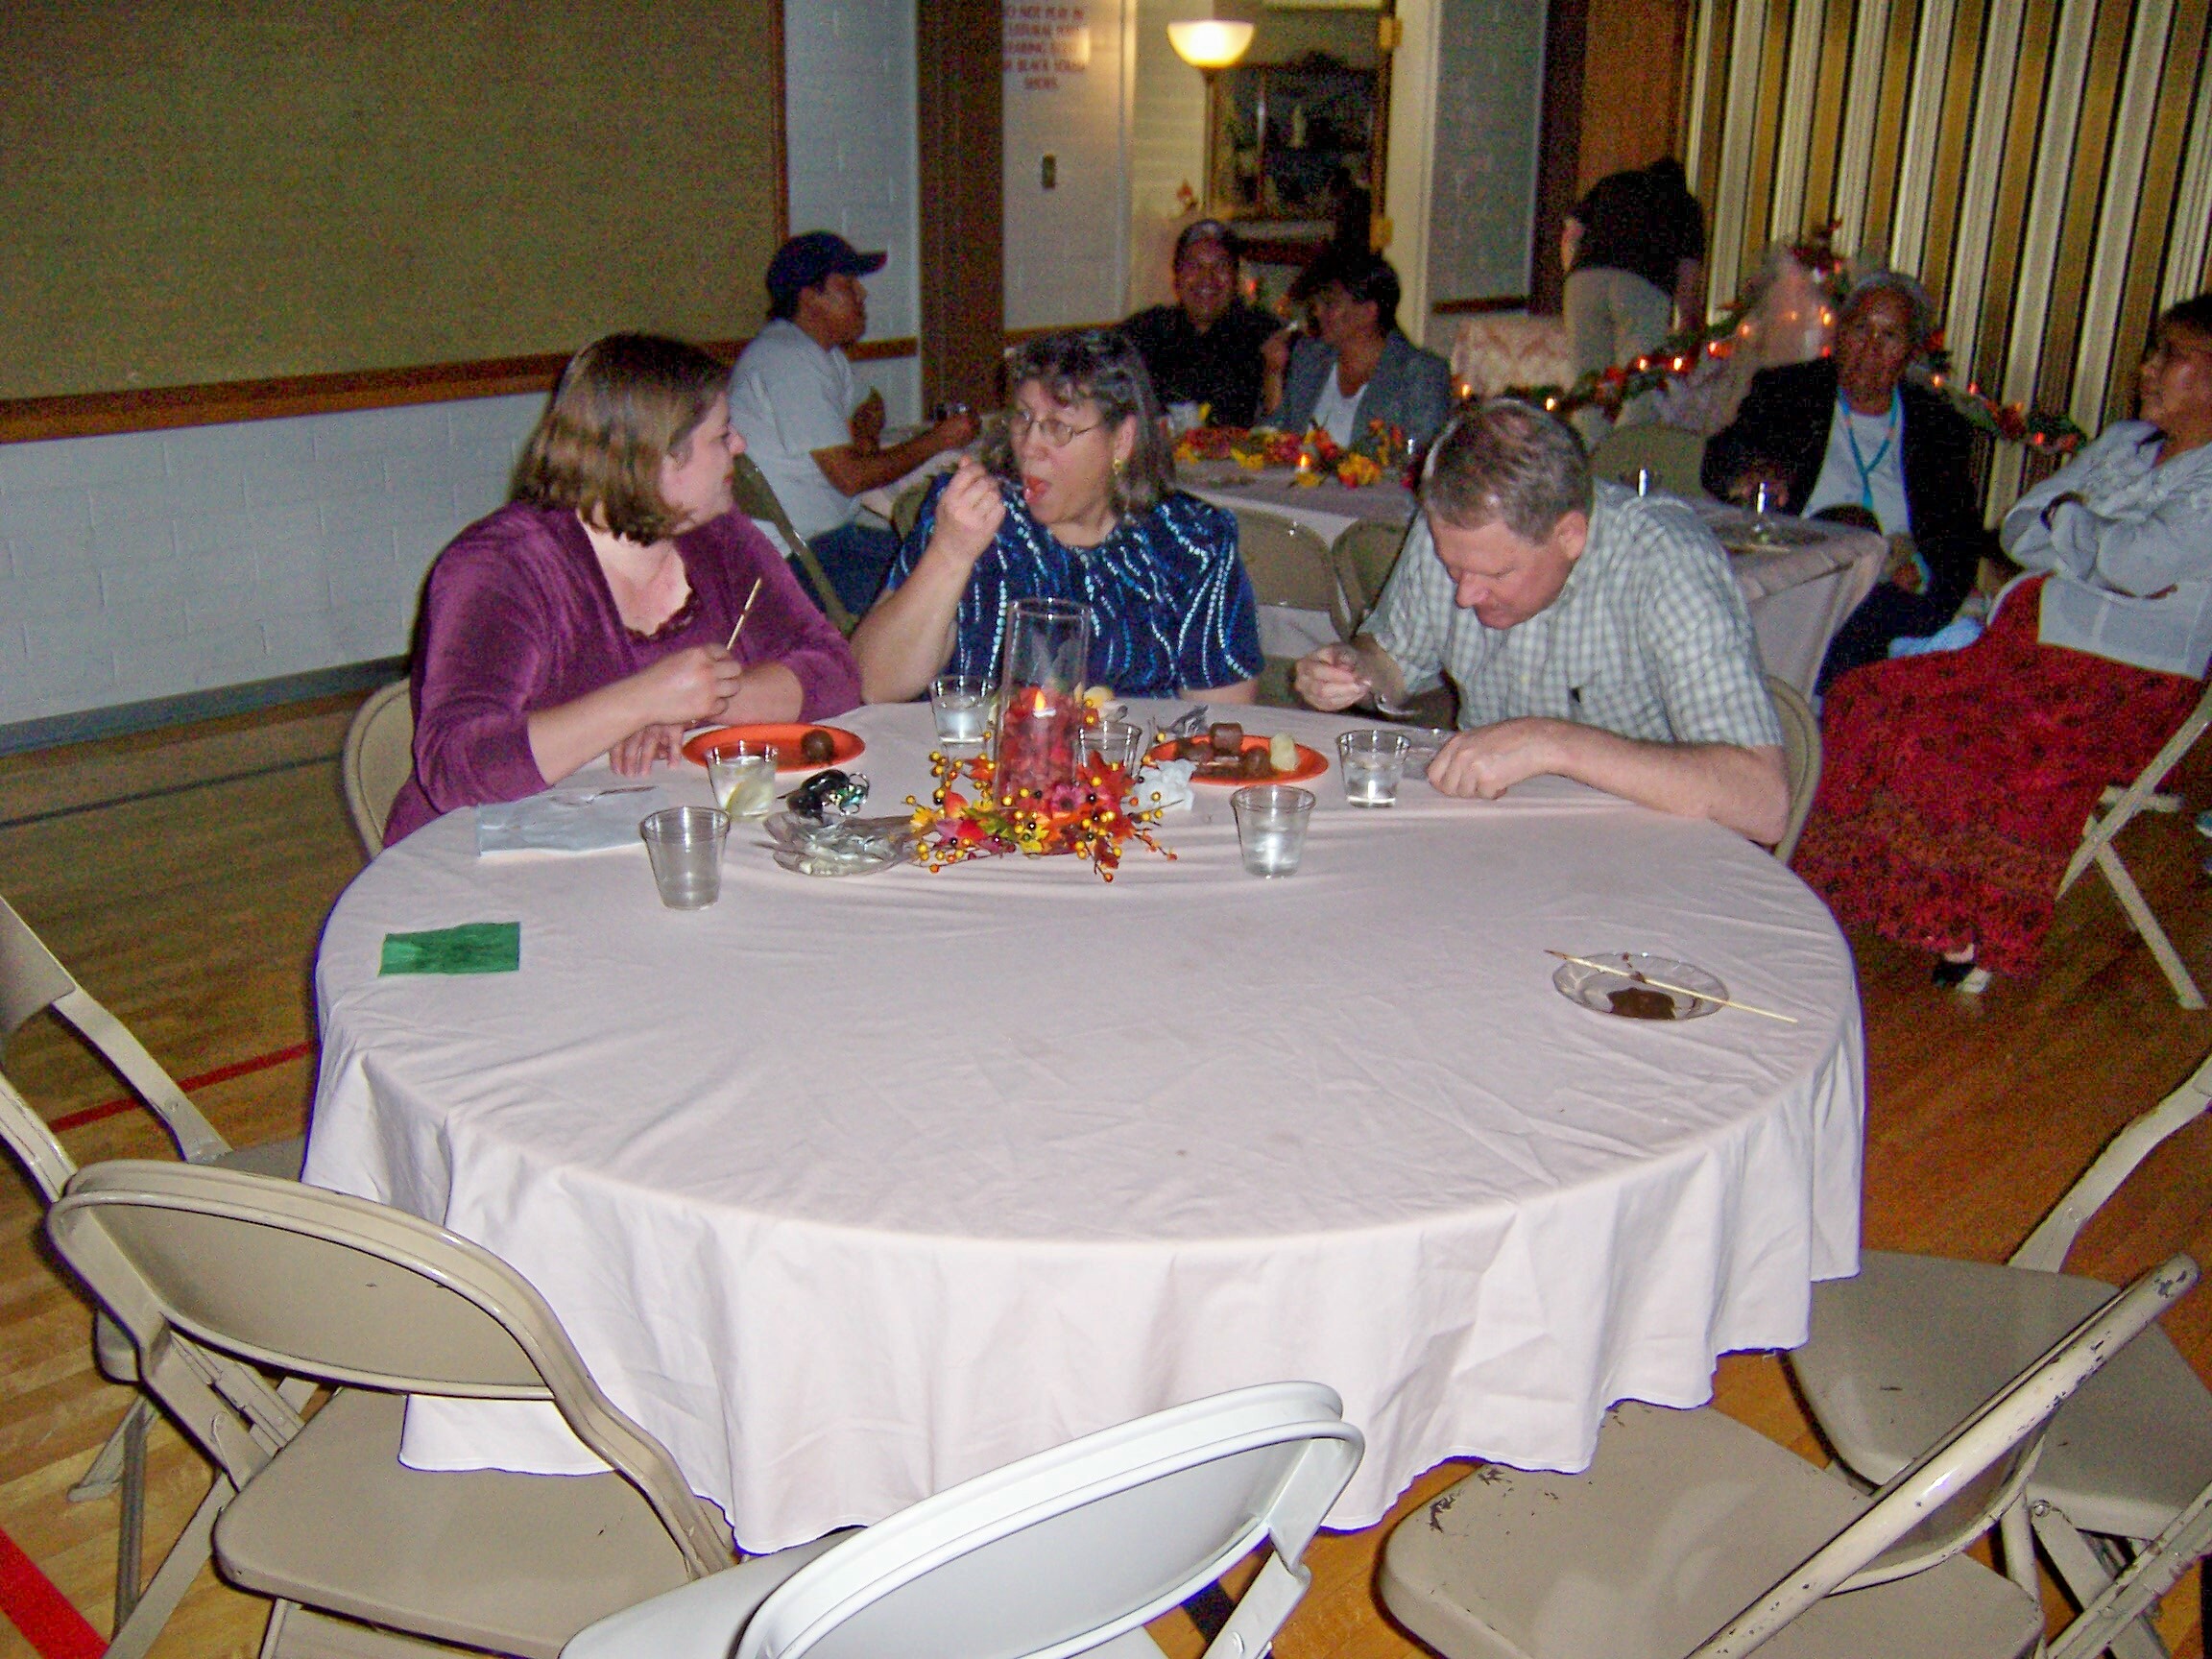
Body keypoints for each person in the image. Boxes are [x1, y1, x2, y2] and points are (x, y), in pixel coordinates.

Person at [1793, 294, 2212, 989]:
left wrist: (2070, 522)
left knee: (1974, 739)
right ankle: (1850, 891)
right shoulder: (2123, 444)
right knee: (1866, 697)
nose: (2146, 367)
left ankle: (1968, 926)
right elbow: (2020, 528)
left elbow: (2134, 563)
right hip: (2026, 652)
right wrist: (2094, 544)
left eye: (2169, 356)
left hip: (2126, 687)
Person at [384, 334, 862, 846]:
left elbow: (837, 671)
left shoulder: (719, 537)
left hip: (649, 837)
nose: (740, 445)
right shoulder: (503, 565)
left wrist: (708, 701)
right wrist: (643, 700)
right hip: (480, 855)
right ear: (657, 458)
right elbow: (457, 767)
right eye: (722, 435)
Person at [1294, 398, 1788, 843]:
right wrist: (1354, 668)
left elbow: (1763, 801)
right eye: (1453, 568)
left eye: (1496, 574)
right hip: (1495, 835)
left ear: (1570, 536)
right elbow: (1392, 661)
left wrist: (1552, 742)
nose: (1465, 594)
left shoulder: (1666, 562)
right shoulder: (1452, 532)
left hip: (1646, 848)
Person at [851, 328, 1262, 704]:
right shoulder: (980, 519)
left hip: (1138, 760)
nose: (1029, 446)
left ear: (1122, 440)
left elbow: (1219, 718)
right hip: (978, 759)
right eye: (1024, 418)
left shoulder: (1190, 541)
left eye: (1058, 428)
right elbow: (872, 683)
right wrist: (950, 553)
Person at [1701, 273, 1992, 687]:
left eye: (1889, 336)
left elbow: (1959, 536)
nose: (1871, 348)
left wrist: (1922, 573)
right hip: (1806, 577)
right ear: (1839, 333)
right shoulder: (1789, 392)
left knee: (1923, 630)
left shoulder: (1938, 426)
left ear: (1910, 352)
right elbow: (1718, 462)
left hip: (1896, 587)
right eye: (1861, 329)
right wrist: (1750, 471)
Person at [727, 231, 979, 616]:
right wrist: (939, 439)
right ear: (810, 297)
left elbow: (869, 401)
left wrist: (864, 435)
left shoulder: (819, 354)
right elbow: (851, 477)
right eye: (847, 284)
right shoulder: (789, 360)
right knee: (953, 586)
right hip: (800, 561)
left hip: (832, 539)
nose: (862, 294)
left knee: (954, 561)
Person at [1560, 157, 1706, 434]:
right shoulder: (1685, 205)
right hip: (1641, 285)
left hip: (1584, 281)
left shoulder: (1613, 183)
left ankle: (1586, 453)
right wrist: (1691, 329)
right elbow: (1687, 281)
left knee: (1588, 389)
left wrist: (1572, 275)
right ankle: (1624, 453)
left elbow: (1572, 233)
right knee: (1639, 386)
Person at [1262, 250, 1455, 450]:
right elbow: (1273, 440)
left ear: (1368, 312)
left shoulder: (1420, 373)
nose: (1318, 312)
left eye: (1330, 303)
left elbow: (1422, 456)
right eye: (1316, 303)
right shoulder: (1310, 357)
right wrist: (1273, 373)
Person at [1120, 220, 1288, 429]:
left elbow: (1284, 428)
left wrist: (1274, 373)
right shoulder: (1144, 332)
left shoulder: (1264, 334)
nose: (1207, 277)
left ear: (1235, 278)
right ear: (1176, 277)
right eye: (1194, 266)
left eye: (1220, 266)